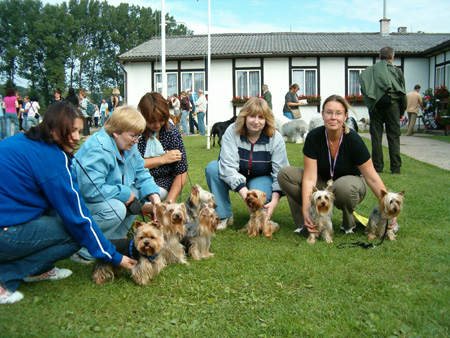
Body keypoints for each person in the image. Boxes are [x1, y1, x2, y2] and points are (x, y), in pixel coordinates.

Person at [0, 101, 136, 304]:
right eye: (71, 130)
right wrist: (114, 256)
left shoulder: (23, 140)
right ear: (52, 127)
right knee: (76, 233)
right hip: (6, 231)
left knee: (63, 221)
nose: (76, 137)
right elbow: (78, 219)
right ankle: (7, 275)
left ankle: (40, 269)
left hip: (9, 221)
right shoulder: (52, 158)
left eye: (79, 131)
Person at [278, 94, 395, 235]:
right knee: (285, 174)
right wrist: (306, 208)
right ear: (322, 114)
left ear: (345, 116)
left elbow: (372, 178)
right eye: (329, 112)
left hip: (350, 185)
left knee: (344, 187)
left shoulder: (354, 140)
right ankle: (306, 222)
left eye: (338, 113)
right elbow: (309, 178)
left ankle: (348, 223)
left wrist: (388, 206)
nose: (333, 117)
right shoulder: (313, 137)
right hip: (323, 184)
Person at [72, 105, 161, 262]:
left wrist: (156, 200)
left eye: (138, 136)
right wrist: (125, 193)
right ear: (116, 131)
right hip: (79, 204)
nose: (135, 141)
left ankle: (113, 243)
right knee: (116, 208)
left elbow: (142, 173)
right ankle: (84, 250)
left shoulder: (128, 146)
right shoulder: (97, 149)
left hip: (104, 197)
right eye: (133, 136)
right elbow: (91, 190)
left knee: (139, 194)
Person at [205, 97, 289, 229]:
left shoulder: (275, 137)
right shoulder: (232, 131)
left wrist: (274, 201)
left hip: (261, 176)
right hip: (236, 172)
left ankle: (260, 215)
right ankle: (224, 215)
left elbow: (281, 172)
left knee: (261, 200)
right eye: (251, 116)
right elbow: (227, 166)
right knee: (213, 168)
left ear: (266, 119)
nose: (256, 121)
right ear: (244, 116)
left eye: (261, 117)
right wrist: (246, 195)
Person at [359, 46, 407, 174]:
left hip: (376, 107)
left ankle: (377, 167)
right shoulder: (396, 72)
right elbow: (402, 92)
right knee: (394, 137)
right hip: (393, 106)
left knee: (376, 137)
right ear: (392, 57)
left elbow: (364, 89)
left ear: (379, 57)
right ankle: (395, 168)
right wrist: (402, 111)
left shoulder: (369, 71)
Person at [137, 92, 188, 206]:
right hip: (135, 181)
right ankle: (157, 209)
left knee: (141, 201)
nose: (157, 125)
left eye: (161, 120)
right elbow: (130, 165)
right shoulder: (135, 133)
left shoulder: (171, 133)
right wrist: (162, 159)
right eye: (151, 121)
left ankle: (160, 209)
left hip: (162, 182)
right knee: (131, 199)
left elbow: (181, 171)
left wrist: (170, 202)